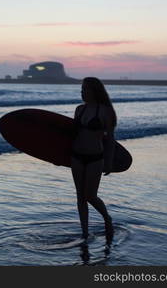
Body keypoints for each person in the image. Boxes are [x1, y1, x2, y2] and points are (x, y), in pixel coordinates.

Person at [71, 77, 116, 245]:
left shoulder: (105, 111)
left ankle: (107, 218)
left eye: (85, 89)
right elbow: (69, 136)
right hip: (76, 156)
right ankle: (84, 233)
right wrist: (57, 157)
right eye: (81, 89)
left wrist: (109, 162)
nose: (82, 92)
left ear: (94, 91)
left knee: (90, 195)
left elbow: (110, 139)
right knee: (80, 197)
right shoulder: (79, 110)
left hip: (95, 158)